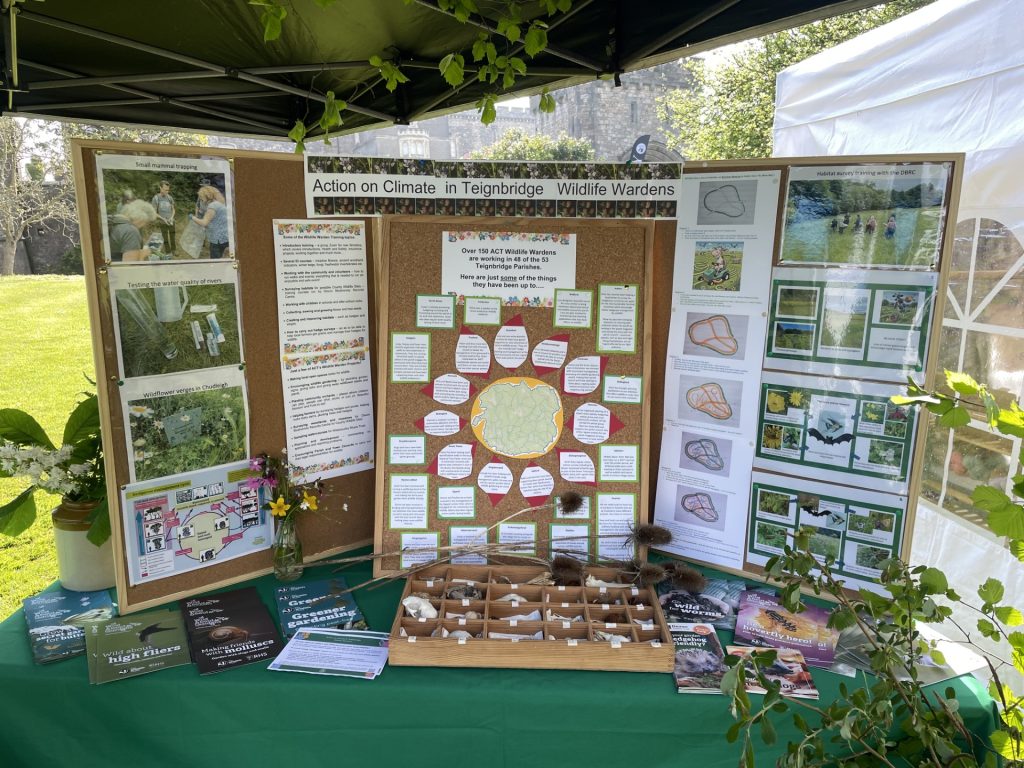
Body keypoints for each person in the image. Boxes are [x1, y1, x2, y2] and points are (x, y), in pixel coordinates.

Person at [191, 185, 230, 259]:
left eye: (201, 196)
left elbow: (204, 222)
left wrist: (193, 218)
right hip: (224, 237)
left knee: (215, 261)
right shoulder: (218, 203)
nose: (200, 198)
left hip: (217, 239)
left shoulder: (212, 206)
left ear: (206, 196)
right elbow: (216, 220)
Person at [150, 180, 176, 254]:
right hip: (162, 221)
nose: (167, 192)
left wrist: (172, 217)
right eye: (165, 190)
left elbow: (173, 209)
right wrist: (163, 219)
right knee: (165, 237)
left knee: (172, 236)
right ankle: (168, 251)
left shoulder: (170, 198)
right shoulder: (156, 198)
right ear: (160, 188)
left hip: (171, 221)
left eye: (168, 190)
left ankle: (174, 250)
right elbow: (154, 212)